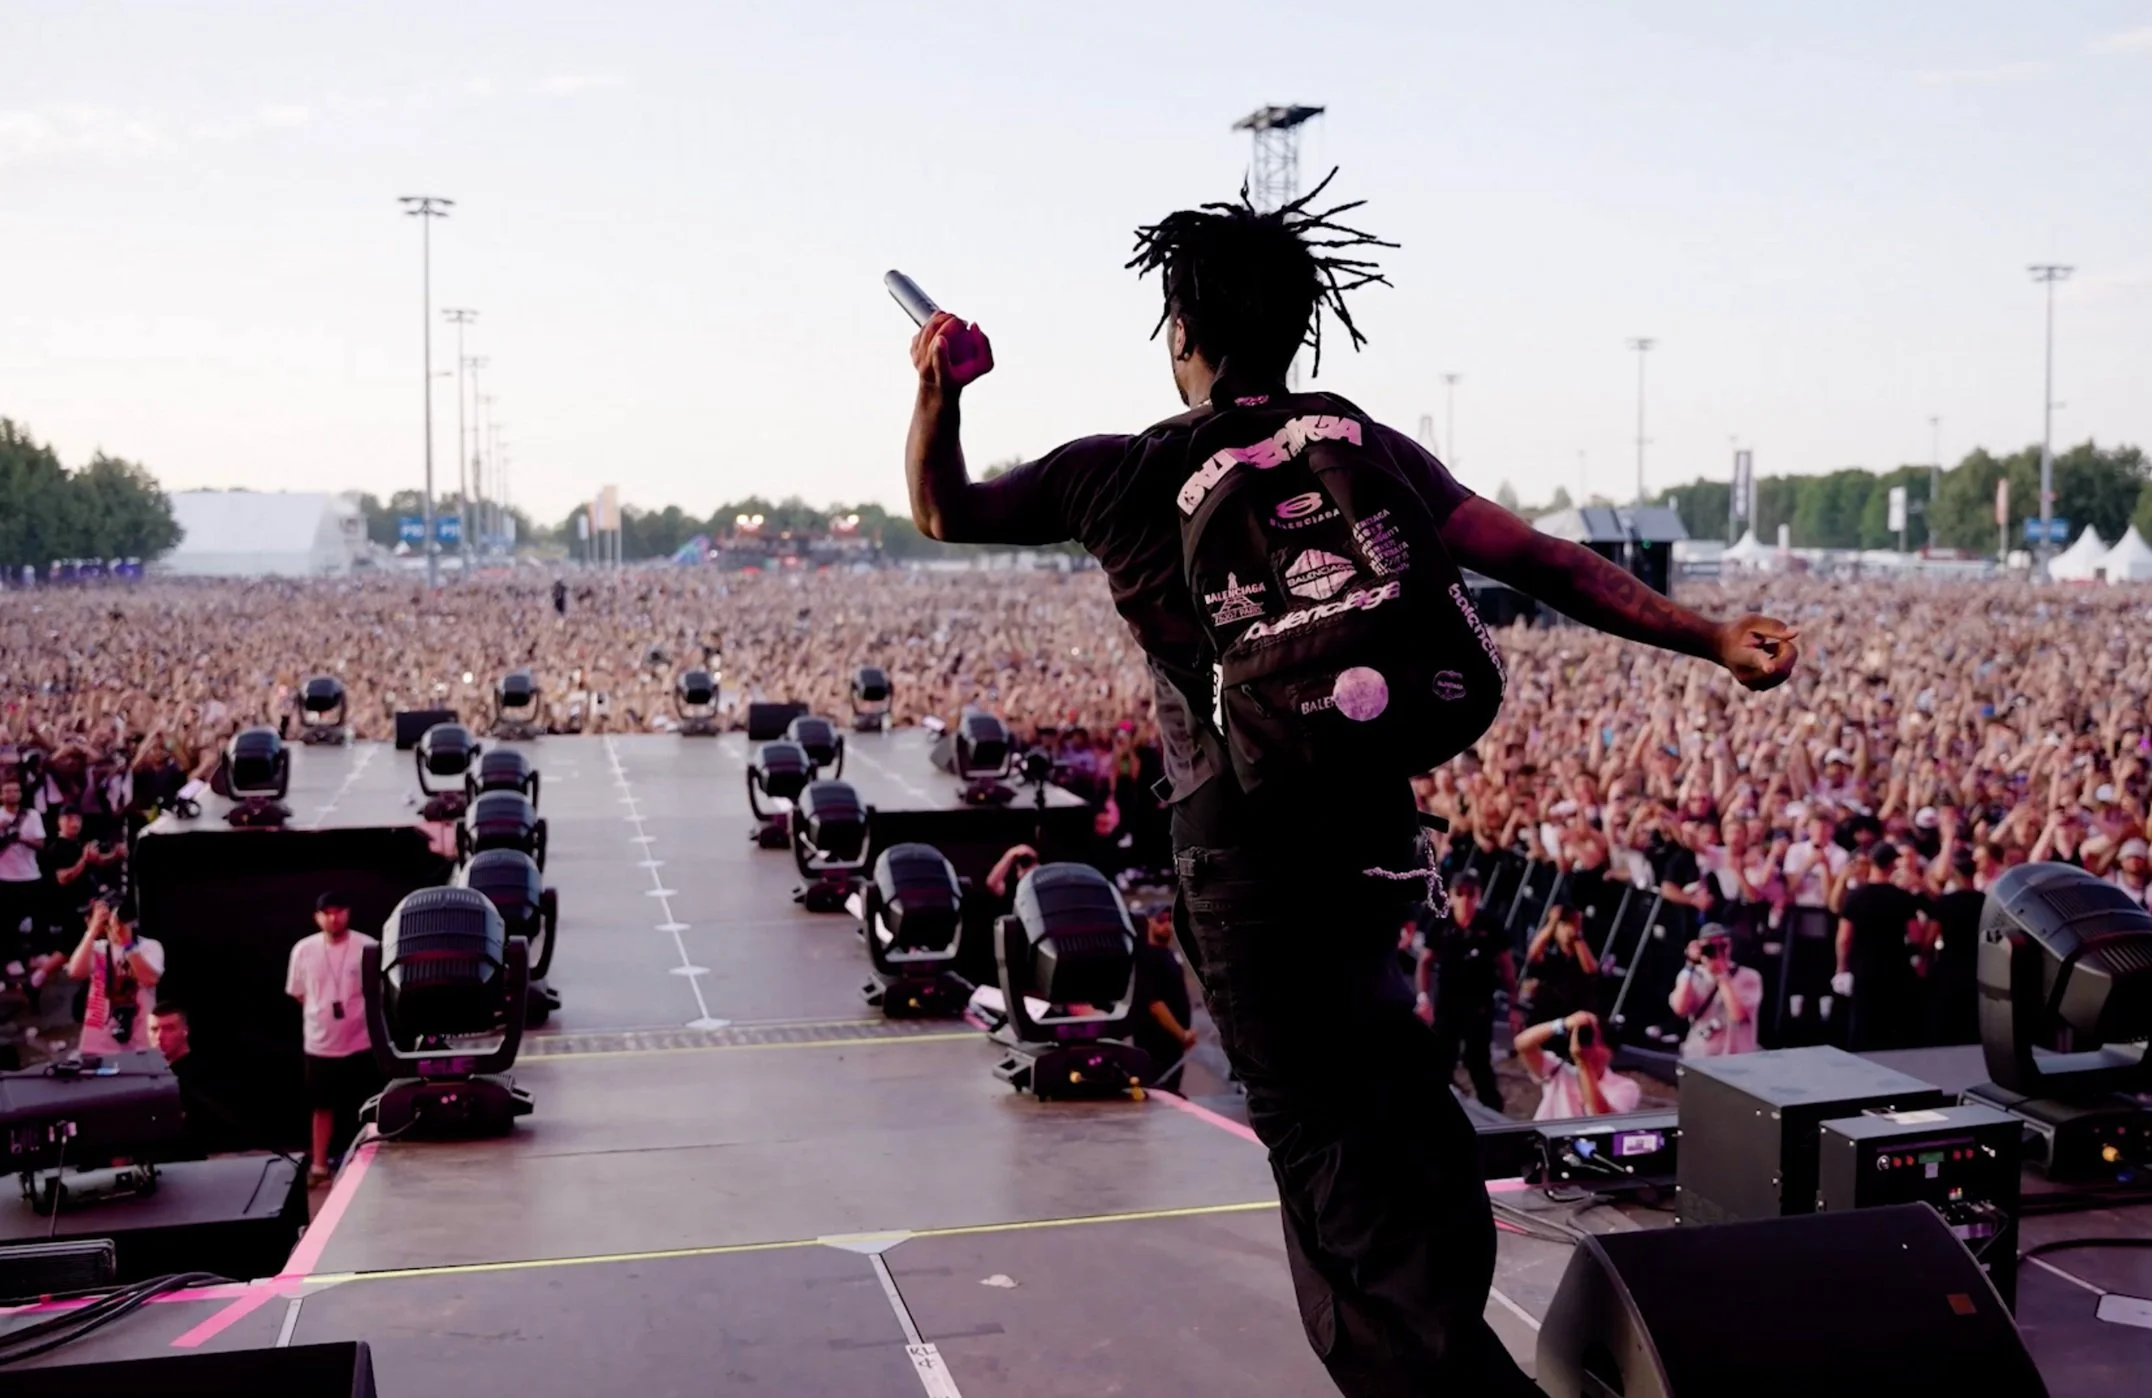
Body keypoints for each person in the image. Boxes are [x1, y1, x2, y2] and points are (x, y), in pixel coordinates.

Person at [900, 177, 1797, 1397]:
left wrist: (940, 390)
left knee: (1334, 1174)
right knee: (1398, 1114)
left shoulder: (1122, 473)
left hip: (1242, 864)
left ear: (1180, 330)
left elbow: (942, 510)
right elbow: (1542, 561)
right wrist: (1710, 636)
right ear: (1300, 328)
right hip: (1370, 840)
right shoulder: (1361, 449)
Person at [286, 890, 382, 1185]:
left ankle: (371, 1164)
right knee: (322, 1107)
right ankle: (319, 1166)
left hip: (361, 1040)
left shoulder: (367, 946)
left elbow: (377, 992)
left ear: (348, 913)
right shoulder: (304, 950)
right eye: (326, 913)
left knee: (366, 1105)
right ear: (317, 917)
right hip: (321, 1043)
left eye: (338, 911)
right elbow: (298, 993)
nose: (333, 918)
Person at [1416, 871, 1516, 1108]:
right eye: (1459, 894)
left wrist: (1514, 1004)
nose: (1465, 900)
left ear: (1478, 895)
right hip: (1447, 1002)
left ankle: (1492, 1109)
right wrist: (1423, 996)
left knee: (1477, 1060)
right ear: (1451, 895)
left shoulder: (1490, 924)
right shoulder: (1441, 923)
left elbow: (1507, 966)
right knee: (1442, 1057)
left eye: (1470, 894)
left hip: (1479, 1003)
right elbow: (1425, 961)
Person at [1834, 842, 1925, 1052]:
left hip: (1863, 968)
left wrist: (1841, 967)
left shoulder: (1855, 896)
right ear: (1892, 864)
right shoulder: (1902, 897)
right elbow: (1916, 935)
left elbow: (1844, 938)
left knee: (1862, 1021)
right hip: (1895, 966)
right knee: (1891, 1023)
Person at [148, 1001, 252, 1155]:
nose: (160, 1037)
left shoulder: (207, 1073)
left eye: (169, 1028)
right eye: (154, 1029)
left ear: (185, 1030)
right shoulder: (148, 1076)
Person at [67, 894, 163, 1057]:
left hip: (140, 1042)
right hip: (98, 1044)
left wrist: (127, 944)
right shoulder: (97, 948)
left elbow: (149, 979)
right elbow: (75, 972)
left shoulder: (149, 946)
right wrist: (91, 932)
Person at [1514, 1011, 1642, 1120]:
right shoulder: (1559, 1070)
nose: (1591, 1047)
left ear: (1610, 1052)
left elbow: (1602, 1119)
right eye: (1588, 1040)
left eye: (1597, 1042)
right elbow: (1522, 1044)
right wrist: (1563, 1024)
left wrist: (1584, 1063)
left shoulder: (1626, 1087)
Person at [1668, 926, 1763, 1057]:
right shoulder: (1691, 976)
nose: (1716, 951)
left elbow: (1738, 1015)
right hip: (1699, 1055)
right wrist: (1690, 964)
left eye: (1721, 946)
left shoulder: (1748, 976)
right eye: (1710, 947)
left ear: (1729, 946)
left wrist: (1722, 974)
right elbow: (1680, 1009)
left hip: (1736, 1056)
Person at [1132, 905, 1197, 1092]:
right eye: (1161, 920)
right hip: (1154, 1046)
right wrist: (1182, 1034)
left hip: (1173, 1048)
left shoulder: (1168, 955)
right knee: (1159, 1094)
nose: (1166, 925)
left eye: (1170, 920)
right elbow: (1155, 1005)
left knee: (1172, 1091)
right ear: (1150, 922)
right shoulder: (1146, 957)